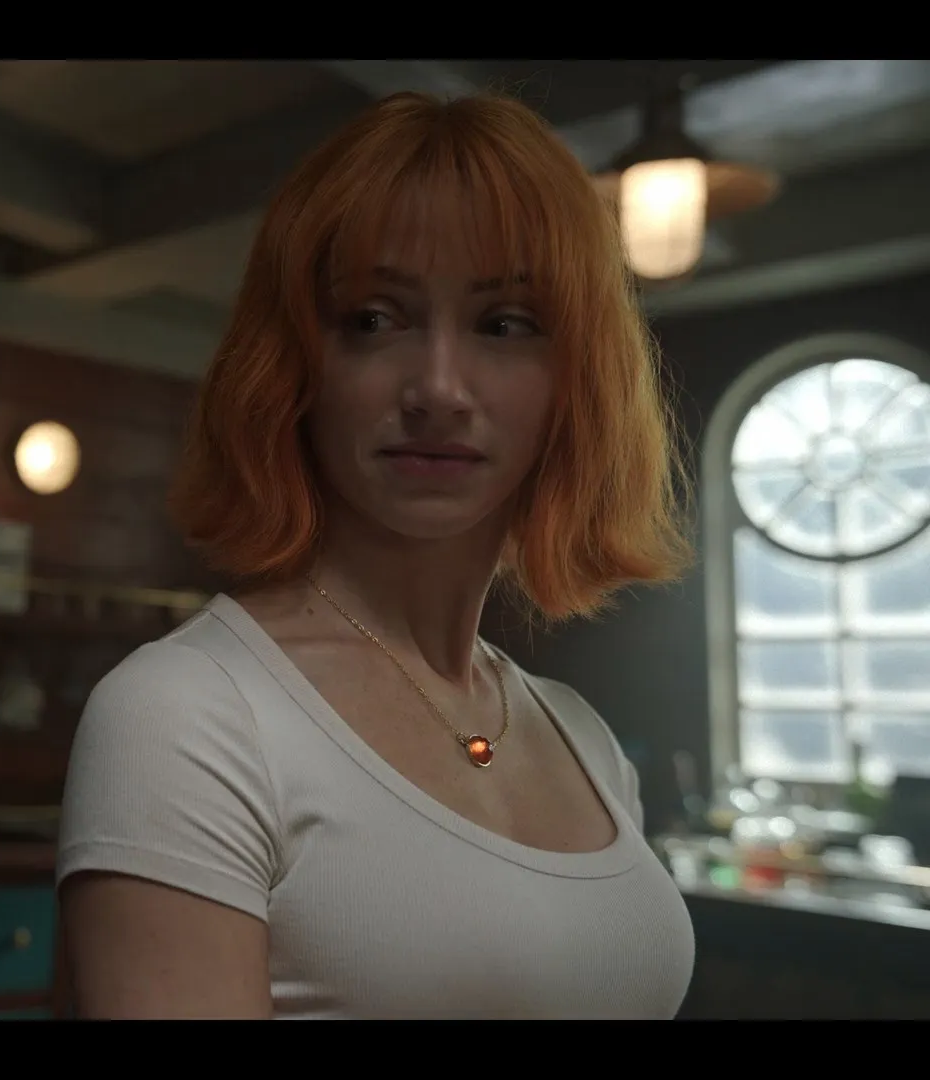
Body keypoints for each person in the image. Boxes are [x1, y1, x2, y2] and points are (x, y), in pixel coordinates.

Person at [55, 92, 698, 1020]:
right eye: (373, 319)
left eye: (504, 323)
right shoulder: (188, 713)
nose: (437, 388)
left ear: (578, 380)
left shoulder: (583, 737)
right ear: (291, 367)